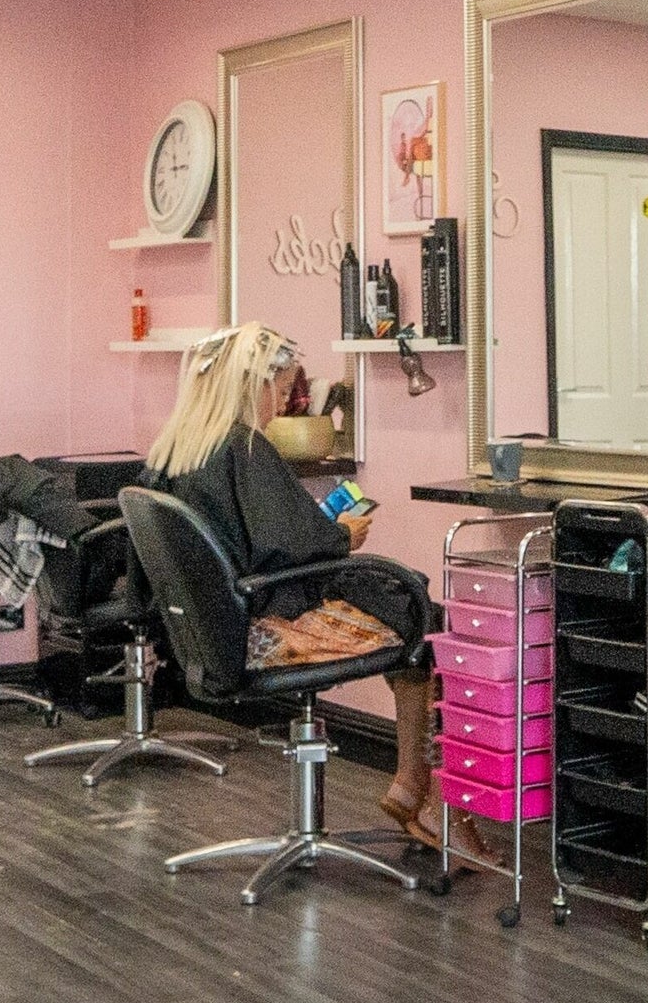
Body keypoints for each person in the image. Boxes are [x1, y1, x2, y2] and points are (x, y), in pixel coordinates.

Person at [146, 322, 443, 846]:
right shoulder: (245, 448)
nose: (279, 407)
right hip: (271, 624)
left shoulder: (174, 452)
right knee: (420, 612)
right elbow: (293, 544)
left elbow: (270, 536)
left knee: (397, 597)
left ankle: (411, 781)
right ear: (249, 386)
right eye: (278, 393)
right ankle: (415, 782)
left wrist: (322, 537)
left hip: (215, 629)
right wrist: (342, 534)